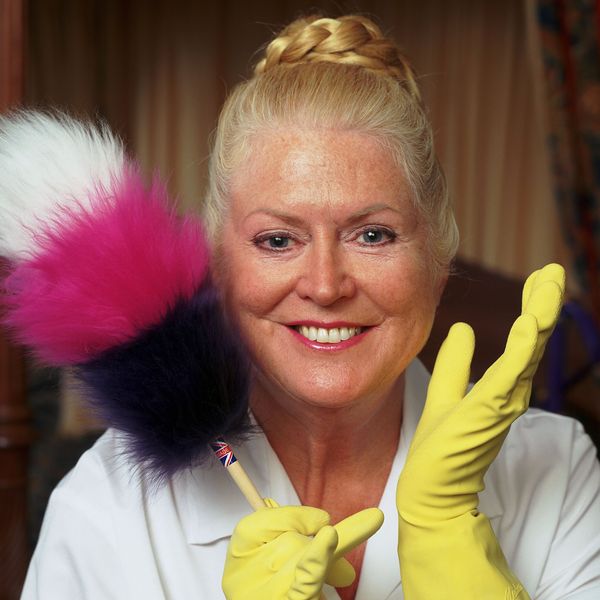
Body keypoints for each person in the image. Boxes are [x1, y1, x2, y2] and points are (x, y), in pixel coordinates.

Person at [21, 14, 600, 600]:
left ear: (437, 256)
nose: (325, 286)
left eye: (372, 235)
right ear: (216, 265)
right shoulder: (105, 507)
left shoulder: (558, 465)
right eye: (277, 240)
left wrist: (449, 543)